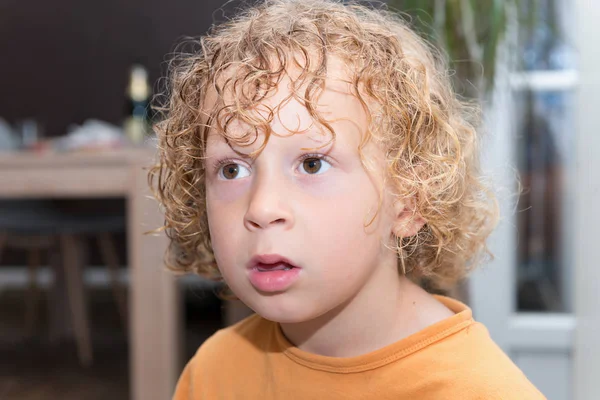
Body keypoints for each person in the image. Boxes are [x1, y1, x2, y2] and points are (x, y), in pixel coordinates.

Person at [150, 0, 545, 398]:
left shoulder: (478, 390)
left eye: (311, 164)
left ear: (409, 199)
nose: (262, 208)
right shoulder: (214, 372)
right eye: (232, 169)